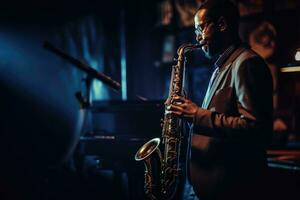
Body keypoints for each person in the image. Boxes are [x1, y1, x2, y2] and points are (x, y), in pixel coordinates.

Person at [166, 0, 273, 199]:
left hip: (230, 189)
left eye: (200, 28)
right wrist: (185, 114)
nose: (197, 37)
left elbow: (256, 129)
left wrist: (197, 115)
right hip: (206, 188)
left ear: (222, 25)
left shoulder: (246, 63)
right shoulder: (223, 66)